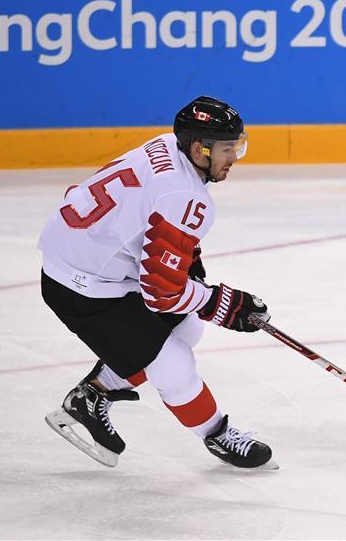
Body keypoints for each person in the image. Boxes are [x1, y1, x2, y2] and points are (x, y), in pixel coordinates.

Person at [40, 96, 276, 469]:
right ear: (200, 149)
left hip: (86, 256)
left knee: (187, 326)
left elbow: (150, 221)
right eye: (228, 149)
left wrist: (189, 266)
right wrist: (223, 304)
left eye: (238, 146)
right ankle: (215, 434)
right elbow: (162, 292)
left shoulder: (167, 146)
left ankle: (92, 394)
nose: (234, 158)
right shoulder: (186, 195)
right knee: (174, 363)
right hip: (83, 286)